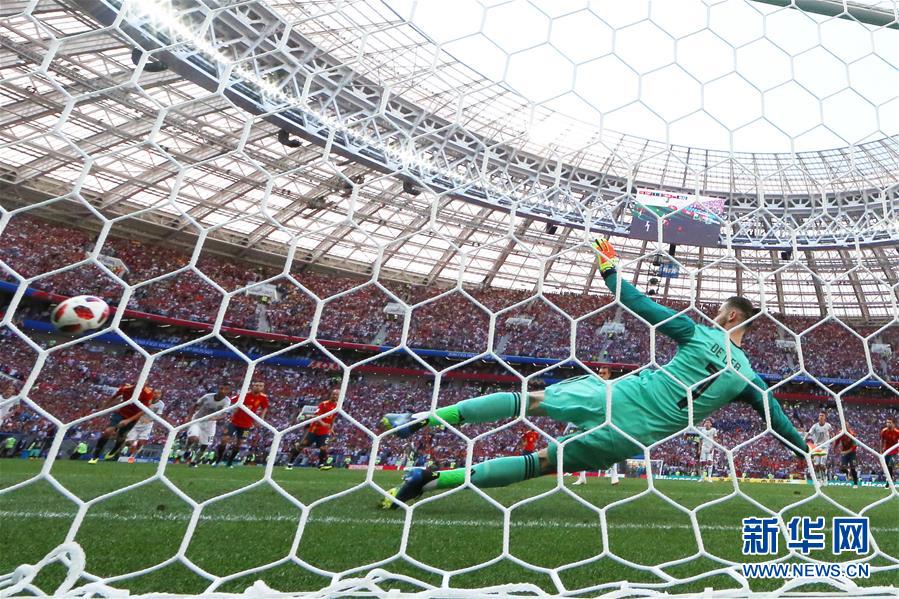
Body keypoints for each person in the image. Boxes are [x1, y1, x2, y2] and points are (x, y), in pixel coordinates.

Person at [378, 238, 808, 509]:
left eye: (719, 312)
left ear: (731, 316)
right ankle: (430, 480)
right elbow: (779, 422)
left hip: (617, 397)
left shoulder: (698, 333)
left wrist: (609, 268)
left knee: (530, 400)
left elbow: (637, 302)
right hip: (631, 436)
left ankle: (419, 419)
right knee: (539, 464)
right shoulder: (750, 378)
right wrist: (804, 451)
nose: (715, 316)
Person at [571, 367, 617, 486]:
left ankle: (614, 475)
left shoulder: (612, 386)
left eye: (604, 373)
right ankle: (582, 477)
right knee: (582, 445)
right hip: (591, 418)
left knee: (609, 448)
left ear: (609, 375)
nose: (601, 375)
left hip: (606, 420)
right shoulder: (593, 386)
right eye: (599, 373)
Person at [88, 384, 155, 464]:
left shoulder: (148, 393)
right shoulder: (126, 388)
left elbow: (143, 411)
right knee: (107, 432)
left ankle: (114, 450)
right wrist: (103, 407)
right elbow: (114, 396)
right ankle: (95, 456)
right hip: (120, 413)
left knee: (121, 436)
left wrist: (128, 420)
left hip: (132, 417)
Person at [215, 380, 268, 468]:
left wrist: (261, 418)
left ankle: (229, 462)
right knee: (224, 439)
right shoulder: (244, 395)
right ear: (252, 386)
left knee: (239, 443)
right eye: (256, 385)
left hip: (247, 425)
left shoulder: (263, 398)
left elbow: (265, 407)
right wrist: (232, 410)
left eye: (260, 386)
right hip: (234, 422)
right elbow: (230, 401)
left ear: (263, 388)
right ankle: (218, 460)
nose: (258, 387)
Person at [287, 389, 338, 470]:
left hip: (324, 430)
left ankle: (321, 465)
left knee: (323, 448)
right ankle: (290, 463)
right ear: (330, 395)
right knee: (302, 445)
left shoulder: (337, 407)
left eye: (336, 395)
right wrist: (323, 423)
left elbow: (333, 418)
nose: (334, 396)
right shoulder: (323, 404)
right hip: (314, 429)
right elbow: (316, 416)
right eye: (333, 394)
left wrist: (331, 428)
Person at [185, 384, 232, 467]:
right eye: (221, 388)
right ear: (218, 389)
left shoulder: (227, 401)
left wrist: (215, 418)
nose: (222, 391)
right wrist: (189, 417)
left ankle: (194, 462)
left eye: (225, 389)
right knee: (193, 438)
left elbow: (224, 415)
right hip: (197, 420)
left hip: (210, 425)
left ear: (228, 391)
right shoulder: (207, 397)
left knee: (205, 445)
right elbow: (195, 405)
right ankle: (188, 449)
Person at [124, 389, 165, 463]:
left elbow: (158, 415)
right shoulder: (146, 400)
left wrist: (150, 420)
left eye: (159, 393)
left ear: (161, 395)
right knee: (128, 443)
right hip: (137, 423)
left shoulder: (161, 404)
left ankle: (132, 456)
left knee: (140, 442)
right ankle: (132, 447)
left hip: (147, 425)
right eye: (155, 393)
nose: (156, 395)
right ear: (152, 393)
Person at [806, 411, 833, 486]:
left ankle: (825, 478)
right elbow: (809, 434)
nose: (821, 417)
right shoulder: (815, 426)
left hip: (825, 446)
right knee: (816, 465)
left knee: (822, 464)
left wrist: (832, 440)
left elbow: (832, 433)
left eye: (822, 415)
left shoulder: (828, 425)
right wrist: (803, 439)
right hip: (816, 447)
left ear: (825, 417)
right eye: (820, 415)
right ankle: (819, 480)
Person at [698, 418, 718, 482]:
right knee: (702, 463)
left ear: (711, 424)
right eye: (706, 422)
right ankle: (702, 477)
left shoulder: (713, 430)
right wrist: (699, 449)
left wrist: (712, 448)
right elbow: (700, 440)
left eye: (708, 422)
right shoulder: (702, 430)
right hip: (703, 448)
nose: (707, 423)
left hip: (710, 448)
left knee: (709, 461)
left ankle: (709, 477)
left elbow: (715, 439)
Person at [881, 416, 899, 484]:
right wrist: (881, 450)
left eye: (890, 422)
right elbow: (881, 441)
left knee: (890, 465)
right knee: (886, 467)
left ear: (893, 424)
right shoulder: (884, 431)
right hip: (886, 451)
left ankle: (889, 482)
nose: (888, 424)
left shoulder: (897, 432)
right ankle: (889, 478)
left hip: (894, 451)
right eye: (887, 422)